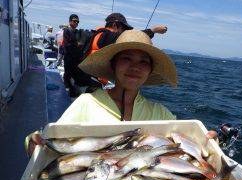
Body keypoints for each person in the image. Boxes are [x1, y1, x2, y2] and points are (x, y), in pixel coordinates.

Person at [25, 30, 217, 156]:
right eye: (126, 58)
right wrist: (33, 142)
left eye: (144, 62)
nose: (135, 67)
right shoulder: (86, 103)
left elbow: (190, 141)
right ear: (113, 65)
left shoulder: (159, 113)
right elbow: (54, 142)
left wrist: (209, 141)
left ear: (150, 71)